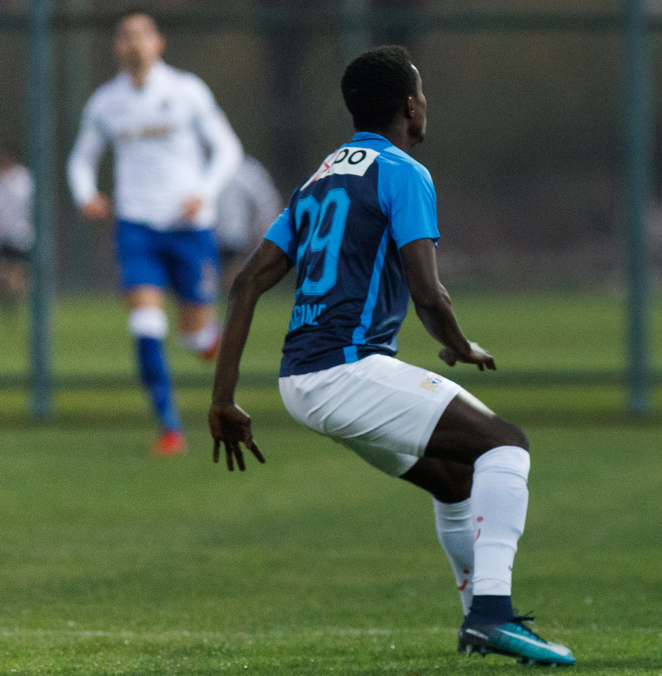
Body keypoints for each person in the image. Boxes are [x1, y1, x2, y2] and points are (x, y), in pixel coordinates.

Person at [207, 45, 574, 667]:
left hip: (301, 381)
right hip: (346, 370)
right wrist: (458, 345)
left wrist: (222, 399)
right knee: (505, 446)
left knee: (455, 480)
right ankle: (490, 614)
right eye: (422, 93)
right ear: (410, 105)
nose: (425, 104)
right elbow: (427, 290)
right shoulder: (403, 172)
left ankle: (480, 620)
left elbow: (246, 283)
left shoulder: (321, 176)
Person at [68, 11, 244, 456]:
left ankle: (208, 340)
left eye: (141, 35)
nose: (134, 44)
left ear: (159, 43)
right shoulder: (106, 102)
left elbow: (227, 149)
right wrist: (86, 194)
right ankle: (170, 429)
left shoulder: (187, 91)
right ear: (116, 49)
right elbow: (81, 160)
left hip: (189, 228)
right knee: (145, 323)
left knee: (193, 336)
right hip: (136, 226)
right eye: (124, 37)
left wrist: (203, 193)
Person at [215, 154, 284, 286]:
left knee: (233, 270)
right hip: (217, 232)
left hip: (237, 234)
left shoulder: (247, 170)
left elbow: (265, 203)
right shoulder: (246, 170)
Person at [0, 148, 33, 326]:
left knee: (16, 273)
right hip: (0, 236)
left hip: (20, 235)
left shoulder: (23, 179)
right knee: (3, 278)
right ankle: (12, 302)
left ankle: (24, 308)